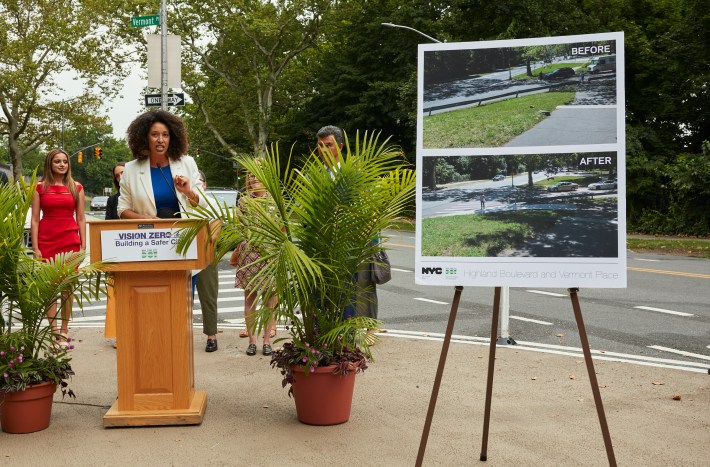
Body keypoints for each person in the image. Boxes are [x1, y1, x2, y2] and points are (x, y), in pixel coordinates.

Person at [316, 125, 378, 320]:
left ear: (340, 146)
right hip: (320, 249)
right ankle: (321, 343)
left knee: (346, 298)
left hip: (347, 250)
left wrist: (371, 245)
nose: (323, 150)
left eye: (328, 145)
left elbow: (367, 211)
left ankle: (346, 342)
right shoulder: (314, 176)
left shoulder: (354, 176)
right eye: (320, 146)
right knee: (320, 298)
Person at [30, 148, 86, 347]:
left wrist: (83, 245)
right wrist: (35, 247)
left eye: (65, 161)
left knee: (67, 288)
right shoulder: (39, 188)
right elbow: (35, 219)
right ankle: (54, 332)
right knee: (51, 288)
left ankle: (64, 330)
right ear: (50, 164)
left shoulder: (76, 187)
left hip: (70, 240)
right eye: (57, 161)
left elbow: (80, 217)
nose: (62, 164)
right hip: (47, 240)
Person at [118, 110, 205, 220]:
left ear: (171, 138)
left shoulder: (188, 163)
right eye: (154, 135)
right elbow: (122, 210)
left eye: (165, 135)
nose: (160, 140)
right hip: (149, 234)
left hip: (185, 234)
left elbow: (202, 205)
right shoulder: (131, 169)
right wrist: (146, 220)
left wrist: (188, 192)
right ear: (145, 138)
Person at [229, 164, 277, 356]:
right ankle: (252, 340)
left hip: (269, 253)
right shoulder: (244, 202)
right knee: (250, 298)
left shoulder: (275, 202)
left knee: (269, 300)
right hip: (249, 254)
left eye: (257, 176)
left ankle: (266, 341)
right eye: (250, 176)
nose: (253, 179)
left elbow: (281, 230)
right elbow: (239, 228)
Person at [193, 171, 219, 352]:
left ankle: (211, 336)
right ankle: (180, 333)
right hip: (181, 255)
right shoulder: (181, 201)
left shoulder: (212, 203)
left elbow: (214, 232)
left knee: (208, 296)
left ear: (205, 184)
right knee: (182, 297)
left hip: (205, 253)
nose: (196, 183)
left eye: (199, 180)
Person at [103, 162, 125, 347]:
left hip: (140, 251)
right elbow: (107, 226)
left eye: (124, 173)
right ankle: (119, 333)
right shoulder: (112, 200)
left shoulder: (141, 196)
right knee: (116, 295)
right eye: (117, 175)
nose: (121, 177)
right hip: (118, 252)